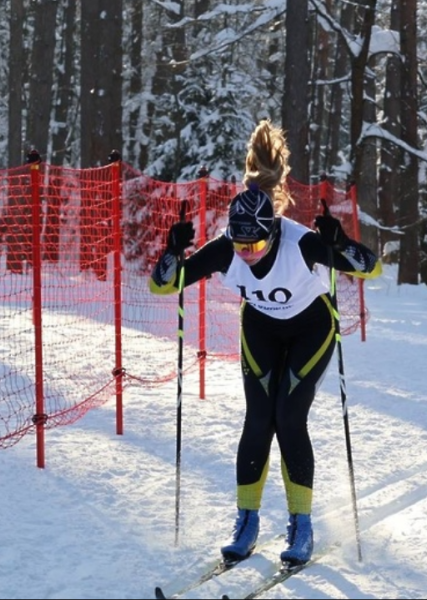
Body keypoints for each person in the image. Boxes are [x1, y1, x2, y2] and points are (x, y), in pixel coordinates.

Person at [148, 119, 382, 567]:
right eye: (240, 244)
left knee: (289, 418)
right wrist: (172, 251)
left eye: (255, 244)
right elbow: (164, 284)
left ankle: (301, 525)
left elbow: (370, 267)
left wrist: (340, 243)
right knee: (258, 421)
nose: (247, 253)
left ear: (272, 231)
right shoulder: (227, 248)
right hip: (261, 329)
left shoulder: (299, 242)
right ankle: (247, 521)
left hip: (312, 329)